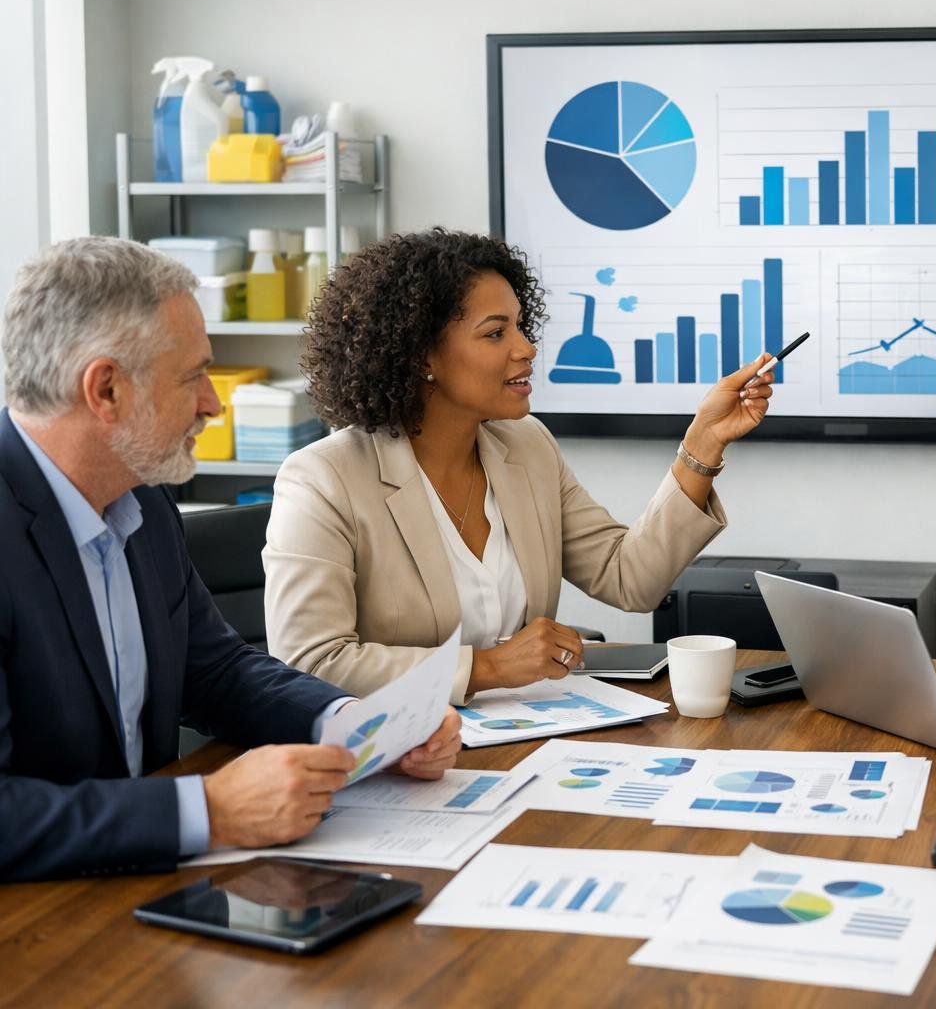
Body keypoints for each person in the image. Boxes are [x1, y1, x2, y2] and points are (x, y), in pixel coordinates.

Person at [0, 237, 460, 883]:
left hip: (137, 892)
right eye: (194, 377)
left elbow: (217, 672)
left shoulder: (143, 501)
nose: (214, 404)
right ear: (105, 389)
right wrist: (208, 809)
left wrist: (355, 727)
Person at [264, 229, 775, 703]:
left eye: (521, 326)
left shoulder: (526, 446)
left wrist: (704, 442)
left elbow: (628, 578)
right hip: (396, 754)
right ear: (423, 354)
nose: (526, 349)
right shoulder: (324, 479)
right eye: (495, 334)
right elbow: (309, 663)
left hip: (522, 735)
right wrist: (488, 668)